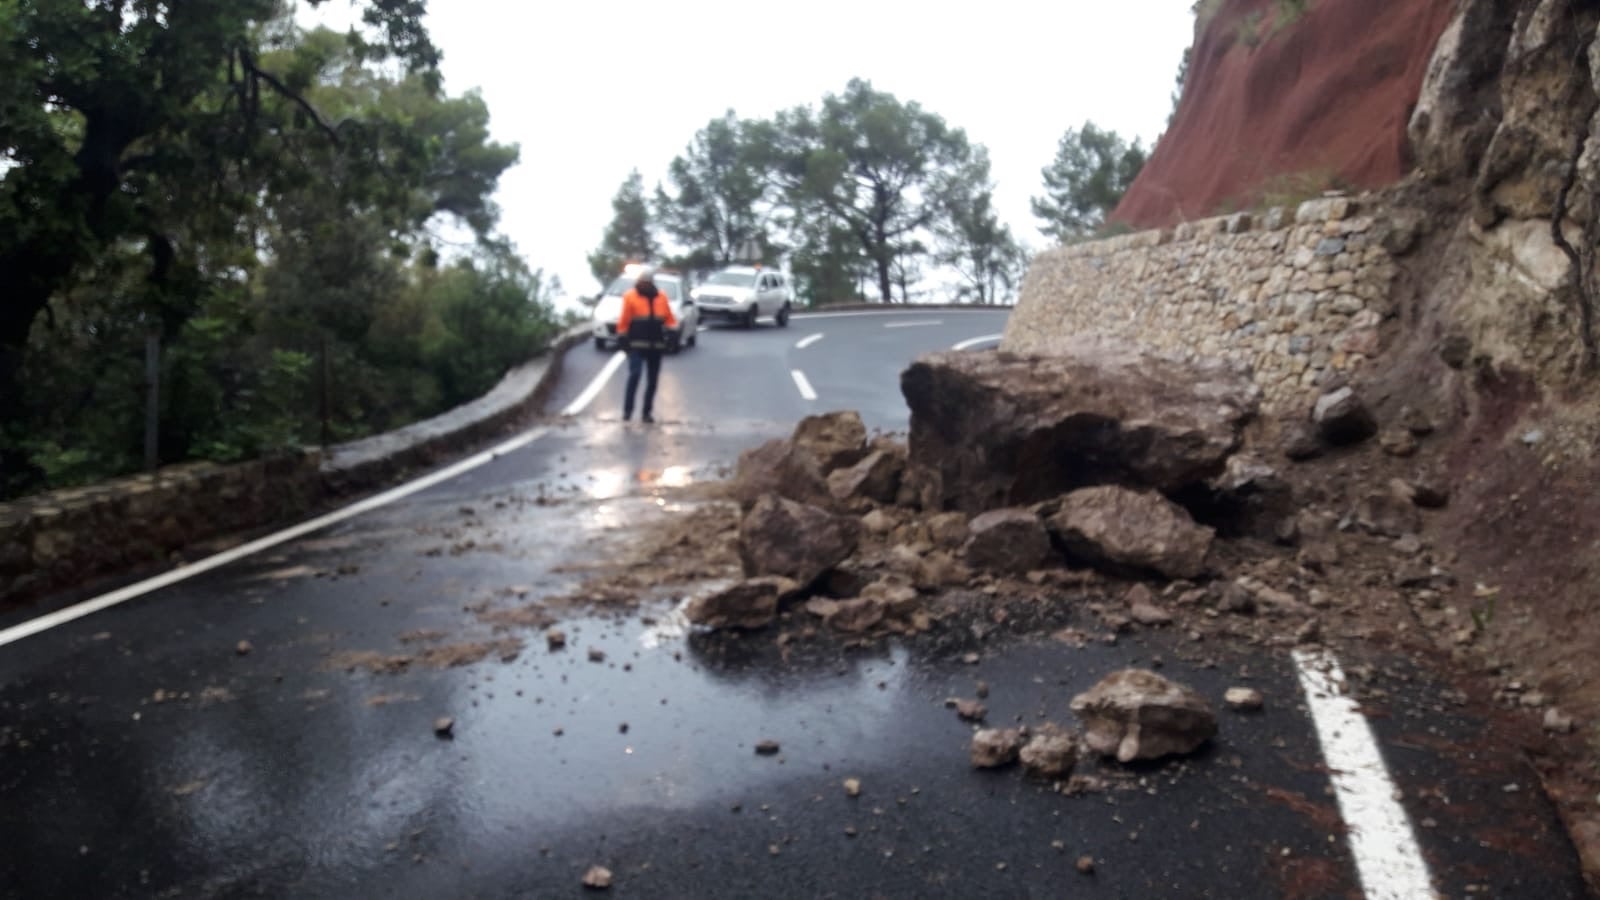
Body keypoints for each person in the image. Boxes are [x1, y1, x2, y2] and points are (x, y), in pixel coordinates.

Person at [616, 266, 677, 423]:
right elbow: (624, 320)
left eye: (646, 282)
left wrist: (672, 335)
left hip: (656, 346)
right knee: (635, 375)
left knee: (653, 381)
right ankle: (627, 411)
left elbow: (669, 319)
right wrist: (622, 338)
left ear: (651, 283)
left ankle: (646, 413)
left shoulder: (661, 297)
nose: (643, 284)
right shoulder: (630, 297)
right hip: (636, 345)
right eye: (641, 282)